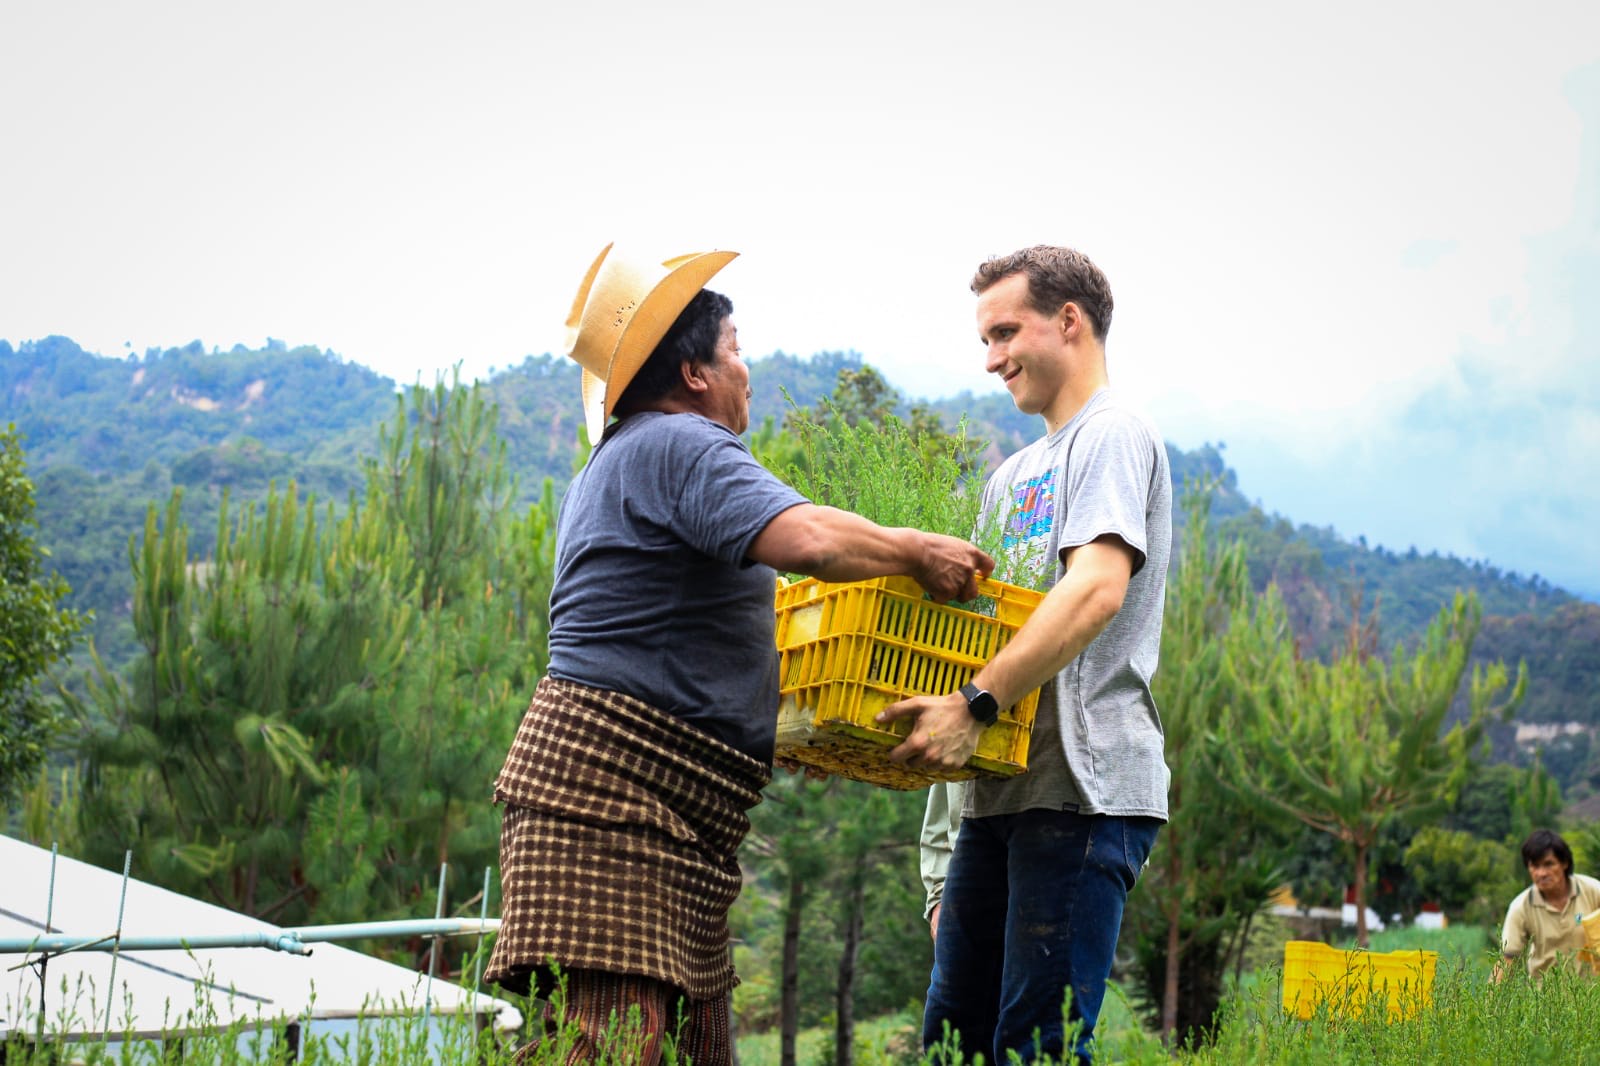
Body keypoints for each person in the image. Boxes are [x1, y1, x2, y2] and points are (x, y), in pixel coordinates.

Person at [482, 243, 993, 1065]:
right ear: (694, 374)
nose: (745, 370)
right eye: (736, 350)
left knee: (690, 1048)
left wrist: (793, 733)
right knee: (614, 1048)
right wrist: (916, 551)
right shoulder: (678, 445)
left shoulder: (623, 460)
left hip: (668, 814)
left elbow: (673, 641)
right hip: (610, 804)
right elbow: (811, 539)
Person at [876, 245, 1171, 1065]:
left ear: (1068, 321)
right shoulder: (1011, 476)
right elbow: (972, 630)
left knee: (1034, 1048)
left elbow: (1097, 588)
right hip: (998, 796)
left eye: (1006, 331)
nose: (991, 358)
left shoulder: (1113, 434)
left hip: (1082, 793)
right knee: (952, 1042)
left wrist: (975, 704)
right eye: (985, 338)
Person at [1496, 828, 1600, 981]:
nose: (1541, 873)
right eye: (1535, 866)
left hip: (1591, 998)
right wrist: (1490, 1003)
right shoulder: (1521, 907)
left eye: (1548, 864)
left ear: (1564, 863)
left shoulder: (1592, 890)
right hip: (1546, 1000)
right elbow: (1509, 959)